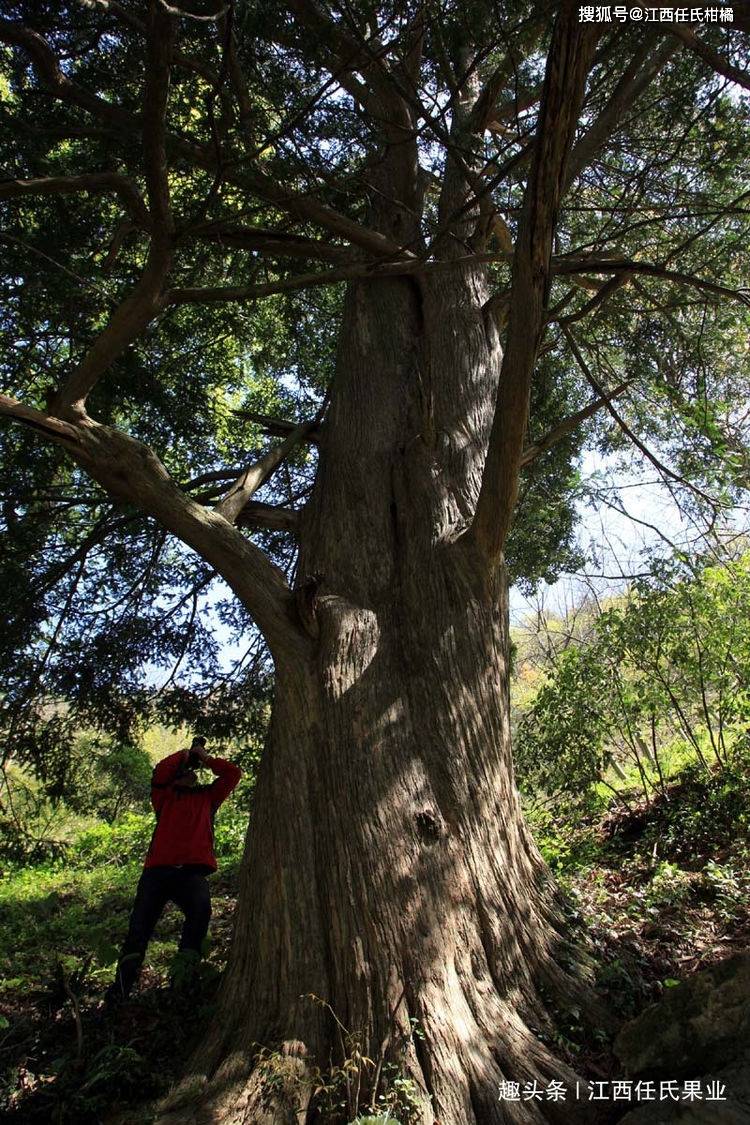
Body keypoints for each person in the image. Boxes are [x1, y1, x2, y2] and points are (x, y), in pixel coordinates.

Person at [105, 736, 241, 1004]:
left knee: (199, 918)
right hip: (157, 873)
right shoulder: (164, 796)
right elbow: (161, 770)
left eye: (192, 772)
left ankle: (183, 982)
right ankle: (120, 991)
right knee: (138, 931)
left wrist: (204, 757)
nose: (190, 775)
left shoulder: (207, 797)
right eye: (185, 773)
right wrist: (186, 754)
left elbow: (233, 774)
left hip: (191, 873)